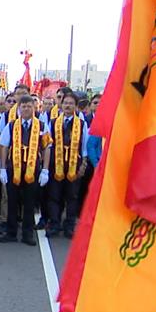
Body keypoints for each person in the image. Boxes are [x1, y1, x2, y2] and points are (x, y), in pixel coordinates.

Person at [0, 95, 52, 246]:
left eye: (29, 106)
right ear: (19, 108)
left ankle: (28, 234)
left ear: (34, 108)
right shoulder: (11, 125)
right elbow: (3, 146)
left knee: (29, 203)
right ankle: (11, 232)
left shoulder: (42, 126)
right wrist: (2, 168)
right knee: (12, 201)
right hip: (13, 168)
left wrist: (45, 170)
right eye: (23, 106)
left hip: (32, 169)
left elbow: (47, 148)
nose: (26, 109)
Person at [45, 91, 89, 238]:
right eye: (65, 103)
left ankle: (69, 225)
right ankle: (55, 223)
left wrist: (83, 165)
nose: (68, 106)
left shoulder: (82, 124)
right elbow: (48, 145)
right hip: (55, 164)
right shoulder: (53, 123)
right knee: (54, 196)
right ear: (61, 105)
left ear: (76, 107)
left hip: (73, 164)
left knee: (72, 197)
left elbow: (84, 147)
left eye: (71, 103)